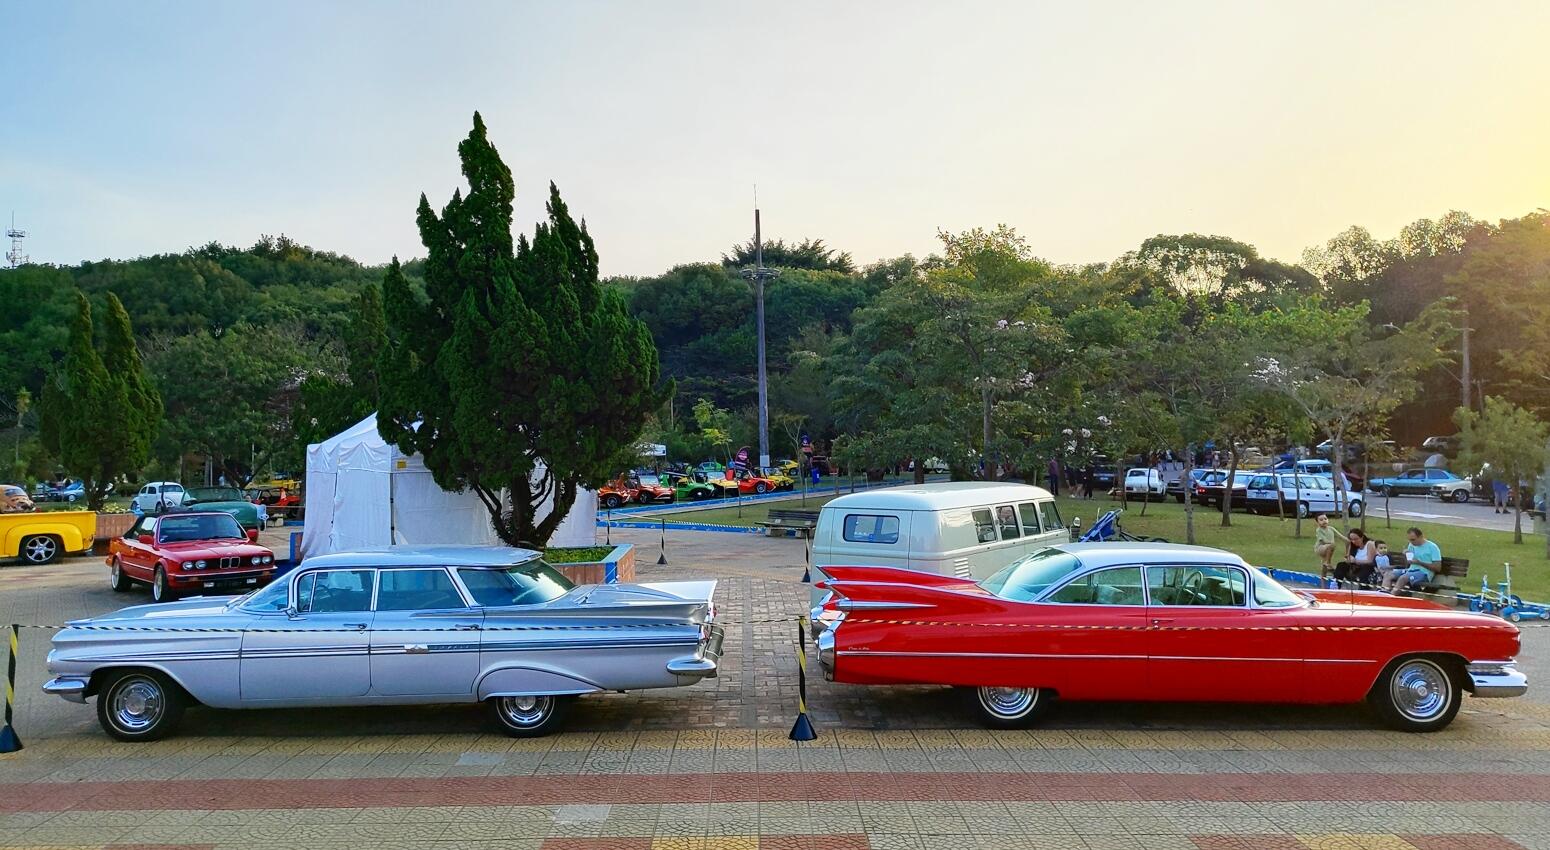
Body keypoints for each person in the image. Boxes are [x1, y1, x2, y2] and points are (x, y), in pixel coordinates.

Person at [1385, 527, 1442, 596]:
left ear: (1421, 537)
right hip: (1411, 570)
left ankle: (1391, 597)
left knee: (1403, 578)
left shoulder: (1432, 547)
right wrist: (1405, 555)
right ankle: (1383, 593)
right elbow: (1408, 563)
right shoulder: (1411, 545)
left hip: (1424, 573)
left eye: (1413, 540)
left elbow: (1437, 568)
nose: (1411, 542)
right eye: (1409, 540)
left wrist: (1419, 563)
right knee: (1388, 574)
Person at [1313, 514, 1338, 579]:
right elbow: (1323, 541)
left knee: (1324, 567)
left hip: (1328, 549)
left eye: (1325, 519)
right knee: (1331, 546)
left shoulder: (1331, 528)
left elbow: (1341, 536)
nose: (1324, 521)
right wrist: (1332, 543)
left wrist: (1349, 540)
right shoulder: (1318, 530)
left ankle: (1323, 584)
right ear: (1317, 522)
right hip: (1320, 548)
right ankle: (1328, 563)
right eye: (1321, 520)